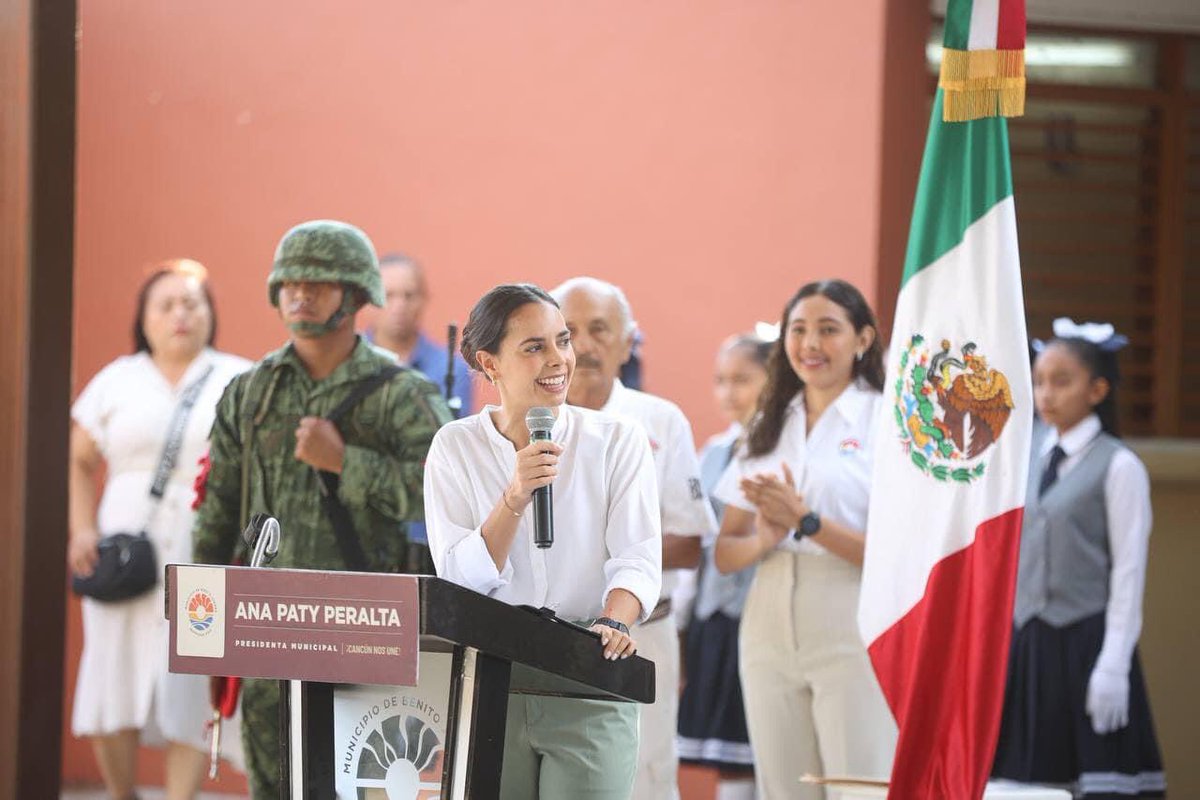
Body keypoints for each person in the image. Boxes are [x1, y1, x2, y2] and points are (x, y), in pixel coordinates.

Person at [192, 220, 452, 799]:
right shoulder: (250, 393)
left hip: (365, 631)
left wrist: (346, 463)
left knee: (364, 784)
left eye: (318, 284)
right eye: (290, 283)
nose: (300, 295)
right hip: (266, 630)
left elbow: (444, 496)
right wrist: (202, 621)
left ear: (355, 295)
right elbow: (218, 511)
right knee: (274, 785)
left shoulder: (402, 394)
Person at [423, 283, 662, 799]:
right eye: (534, 347)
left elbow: (637, 558)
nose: (558, 359)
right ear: (489, 364)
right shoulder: (454, 446)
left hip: (588, 671)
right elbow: (457, 580)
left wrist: (614, 620)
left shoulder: (618, 440)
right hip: (491, 674)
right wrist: (514, 497)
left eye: (562, 340)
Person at [68, 259, 251, 800]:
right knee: (112, 671)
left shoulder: (237, 377)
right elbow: (79, 459)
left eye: (191, 303)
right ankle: (120, 793)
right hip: (126, 549)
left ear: (210, 313)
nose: (179, 315)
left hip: (205, 547)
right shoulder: (116, 380)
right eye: (165, 305)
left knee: (192, 676)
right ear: (143, 318)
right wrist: (81, 530)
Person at [713, 279, 897, 799]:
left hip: (852, 612)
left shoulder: (888, 421)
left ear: (863, 339)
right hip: (767, 618)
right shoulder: (768, 423)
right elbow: (725, 552)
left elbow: (897, 556)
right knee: (784, 788)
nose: (810, 344)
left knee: (859, 784)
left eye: (828, 329)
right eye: (798, 330)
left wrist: (808, 521)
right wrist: (765, 539)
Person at [551, 276, 714, 800]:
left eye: (600, 329)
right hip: (549, 634)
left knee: (645, 779)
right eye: (569, 331)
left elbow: (689, 544)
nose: (584, 345)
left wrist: (601, 550)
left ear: (627, 342)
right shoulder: (528, 422)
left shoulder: (660, 421)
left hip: (643, 632)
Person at [992, 318, 1166, 799]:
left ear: (1097, 390)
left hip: (1084, 645)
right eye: (1039, 382)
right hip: (1027, 645)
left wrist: (1114, 663)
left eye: (1062, 382)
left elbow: (1128, 572)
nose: (1046, 394)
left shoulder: (1119, 466)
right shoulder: (1025, 455)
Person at [677, 332, 771, 800]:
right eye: (720, 380)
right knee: (729, 761)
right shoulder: (713, 452)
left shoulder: (780, 448)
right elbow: (695, 537)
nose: (728, 392)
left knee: (767, 752)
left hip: (759, 614)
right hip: (714, 617)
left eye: (742, 379)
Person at [366, 252, 473, 413]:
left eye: (409, 296)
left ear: (424, 299)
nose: (399, 306)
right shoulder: (345, 360)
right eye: (388, 295)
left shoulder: (450, 369)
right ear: (369, 300)